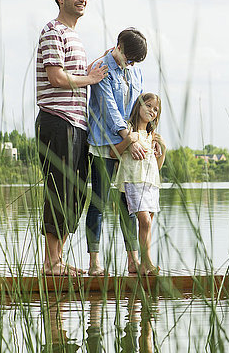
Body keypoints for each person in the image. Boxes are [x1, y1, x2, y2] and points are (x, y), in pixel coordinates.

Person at [35, 0, 108, 276]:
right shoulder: (54, 31)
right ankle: (52, 263)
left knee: (76, 192)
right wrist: (89, 79)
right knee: (58, 189)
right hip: (57, 120)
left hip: (78, 126)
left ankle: (58, 260)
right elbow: (56, 77)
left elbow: (74, 74)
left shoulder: (75, 36)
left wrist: (97, 68)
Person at [85, 28, 148, 276]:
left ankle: (133, 260)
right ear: (119, 47)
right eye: (129, 58)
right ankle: (94, 262)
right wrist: (128, 139)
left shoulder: (135, 70)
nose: (130, 64)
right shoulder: (103, 67)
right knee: (99, 200)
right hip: (104, 143)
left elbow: (137, 106)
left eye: (135, 61)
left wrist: (143, 136)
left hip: (130, 141)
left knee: (128, 202)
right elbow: (109, 108)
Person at [112, 93, 166, 276]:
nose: (152, 110)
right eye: (149, 105)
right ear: (139, 106)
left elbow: (156, 167)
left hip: (151, 183)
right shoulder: (128, 129)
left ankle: (144, 263)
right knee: (144, 220)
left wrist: (163, 151)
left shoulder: (153, 136)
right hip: (133, 181)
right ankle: (147, 261)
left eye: (156, 109)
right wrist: (128, 140)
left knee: (148, 223)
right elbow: (113, 154)